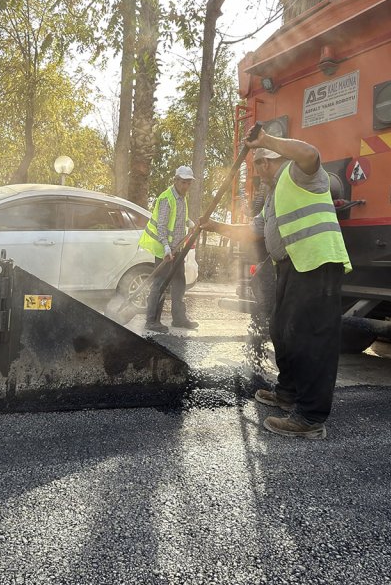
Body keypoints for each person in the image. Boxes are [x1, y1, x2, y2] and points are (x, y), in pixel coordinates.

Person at [204, 131, 351, 439]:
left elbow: (310, 153)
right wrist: (215, 225)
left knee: (312, 339)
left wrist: (265, 140)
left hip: (318, 262)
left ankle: (310, 418)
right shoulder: (274, 196)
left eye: (263, 162)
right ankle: (288, 392)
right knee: (283, 329)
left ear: (277, 160)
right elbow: (254, 229)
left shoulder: (299, 173)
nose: (259, 169)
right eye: (256, 164)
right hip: (291, 265)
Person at [138, 165, 198, 333]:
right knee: (160, 284)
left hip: (177, 249)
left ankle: (179, 319)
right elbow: (162, 227)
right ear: (176, 181)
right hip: (164, 250)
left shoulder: (181, 197)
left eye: (189, 183)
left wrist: (190, 223)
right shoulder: (166, 198)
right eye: (184, 182)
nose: (186, 186)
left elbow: (180, 218)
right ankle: (151, 320)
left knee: (180, 283)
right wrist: (165, 247)